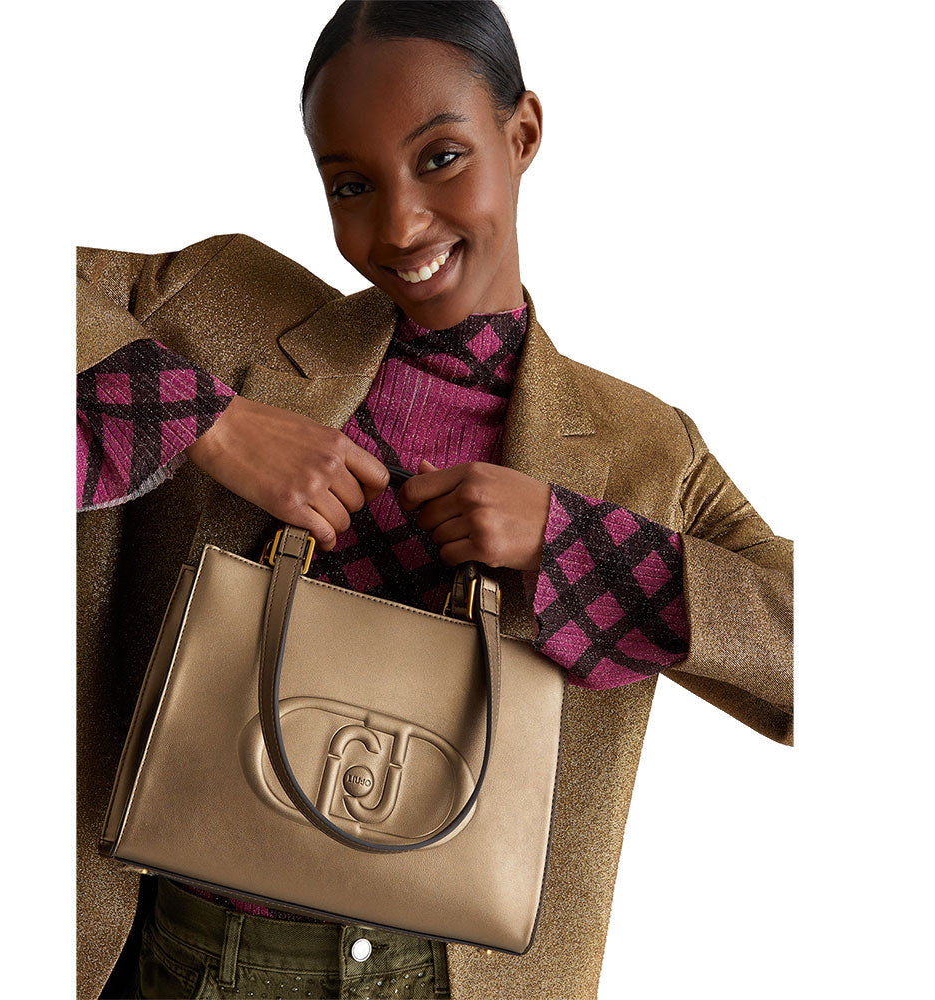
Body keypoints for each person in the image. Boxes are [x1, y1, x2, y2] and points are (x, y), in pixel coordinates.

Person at [75, 2, 793, 998]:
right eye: (352, 186)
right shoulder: (222, 305)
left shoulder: (644, 450)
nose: (400, 225)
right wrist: (213, 423)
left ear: (522, 133)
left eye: (441, 158)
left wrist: (570, 541)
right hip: (182, 956)